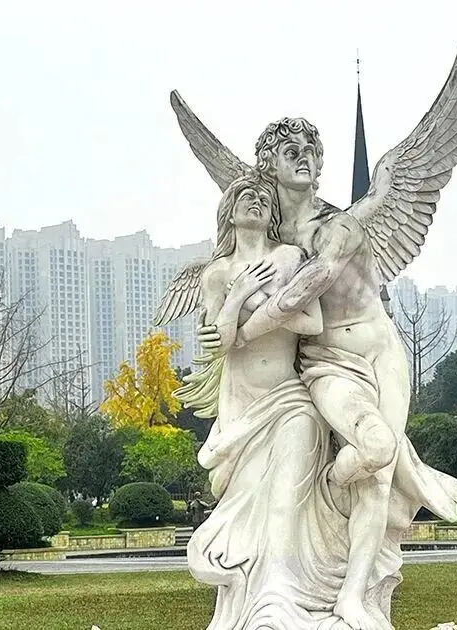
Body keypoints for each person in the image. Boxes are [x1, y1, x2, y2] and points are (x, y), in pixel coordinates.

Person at [221, 118, 457, 630]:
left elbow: (303, 291)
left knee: (377, 476)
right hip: (328, 364)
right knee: (374, 450)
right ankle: (331, 492)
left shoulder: (340, 226)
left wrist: (240, 331)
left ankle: (354, 598)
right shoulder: (271, 237)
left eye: (312, 149)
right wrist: (233, 327)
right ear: (268, 163)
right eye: (291, 150)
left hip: (382, 352)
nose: (305, 156)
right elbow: (240, 278)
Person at [177, 173, 350, 630]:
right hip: (240, 408)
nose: (253, 202)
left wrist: (268, 305)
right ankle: (247, 603)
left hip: (290, 399)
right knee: (247, 506)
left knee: (284, 503)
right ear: (229, 211)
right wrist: (237, 297)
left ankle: (279, 606)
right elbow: (221, 342)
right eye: (244, 197)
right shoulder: (215, 275)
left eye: (261, 198)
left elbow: (312, 321)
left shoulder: (288, 257)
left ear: (272, 213)